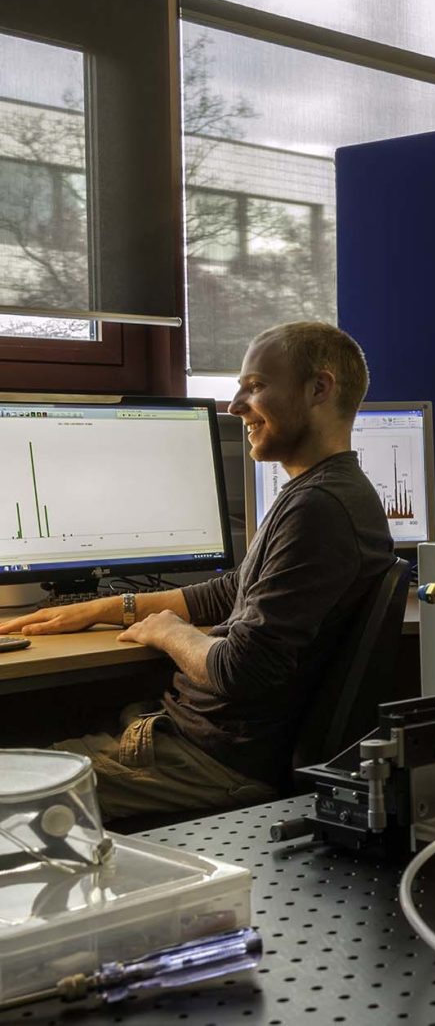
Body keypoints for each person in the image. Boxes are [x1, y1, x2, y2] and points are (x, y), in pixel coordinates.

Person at [0, 321, 395, 820]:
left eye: (255, 386)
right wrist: (107, 608)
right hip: (198, 739)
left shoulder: (319, 508)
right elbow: (232, 590)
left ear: (319, 388)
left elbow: (241, 670)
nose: (235, 406)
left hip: (212, 762)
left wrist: (170, 631)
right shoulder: (326, 492)